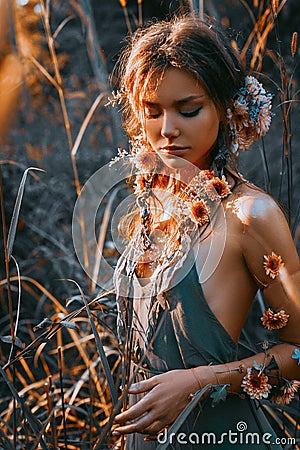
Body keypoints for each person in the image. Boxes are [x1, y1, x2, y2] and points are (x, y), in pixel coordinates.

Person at [110, 15, 300, 449]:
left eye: (188, 109)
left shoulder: (252, 215)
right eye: (152, 111)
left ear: (227, 107)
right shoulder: (151, 203)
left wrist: (197, 381)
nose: (167, 130)